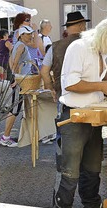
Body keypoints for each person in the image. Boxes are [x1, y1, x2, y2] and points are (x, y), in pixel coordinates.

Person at [53, 16, 107, 208]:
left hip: (93, 116)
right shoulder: (79, 47)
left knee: (93, 168)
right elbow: (69, 84)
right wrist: (102, 85)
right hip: (74, 116)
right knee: (70, 171)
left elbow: (93, 85)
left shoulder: (99, 53)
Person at [40, 11, 90, 144]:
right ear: (81, 26)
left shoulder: (55, 47)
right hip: (89, 96)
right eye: (84, 25)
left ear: (67, 28)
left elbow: (44, 71)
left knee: (64, 138)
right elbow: (106, 71)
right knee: (89, 138)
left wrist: (51, 88)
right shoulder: (91, 44)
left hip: (64, 97)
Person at [0, 25, 35, 148]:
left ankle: (25, 135)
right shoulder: (20, 45)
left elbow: (12, 61)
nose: (31, 36)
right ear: (22, 35)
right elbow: (14, 62)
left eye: (31, 34)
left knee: (18, 109)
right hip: (20, 82)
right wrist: (15, 77)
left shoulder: (19, 45)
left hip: (21, 81)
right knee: (14, 110)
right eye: (28, 34)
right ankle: (5, 137)